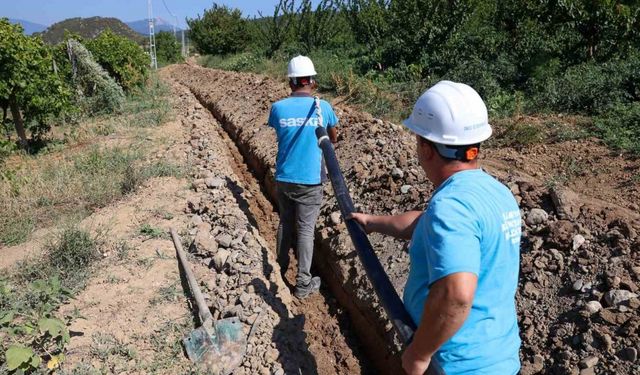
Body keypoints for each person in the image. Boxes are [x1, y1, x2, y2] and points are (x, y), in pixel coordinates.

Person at [350, 81, 521, 374]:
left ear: (427, 149)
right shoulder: (496, 193)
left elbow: (456, 295)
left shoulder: (452, 207)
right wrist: (372, 222)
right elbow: (424, 222)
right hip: (501, 357)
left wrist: (419, 353)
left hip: (457, 365)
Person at [268, 55, 338, 299]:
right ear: (312, 82)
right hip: (310, 180)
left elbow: (279, 131)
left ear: (291, 83)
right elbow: (332, 139)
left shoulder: (278, 108)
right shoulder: (324, 108)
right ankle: (303, 283)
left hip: (285, 177)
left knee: (286, 222)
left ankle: (279, 267)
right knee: (306, 230)